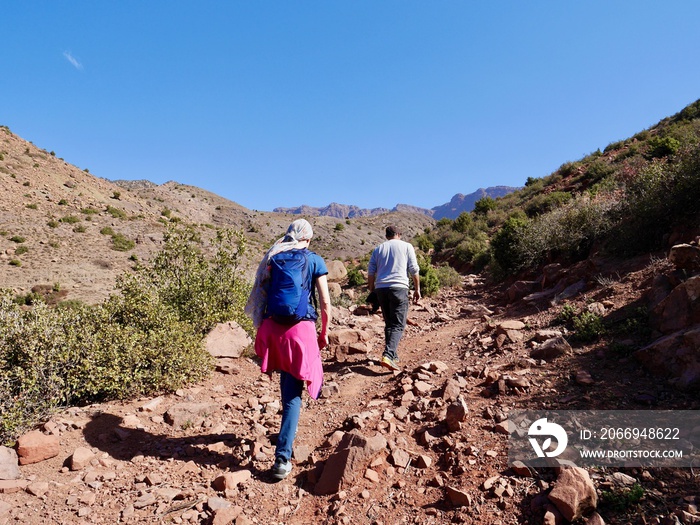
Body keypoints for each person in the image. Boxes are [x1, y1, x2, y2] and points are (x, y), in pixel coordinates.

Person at [244, 219, 331, 480]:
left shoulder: (274, 256)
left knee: (287, 385)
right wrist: (324, 332)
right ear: (308, 238)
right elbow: (325, 301)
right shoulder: (314, 260)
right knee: (294, 395)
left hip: (273, 329)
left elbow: (264, 292)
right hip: (300, 331)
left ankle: (285, 432)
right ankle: (282, 457)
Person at [367, 225, 421, 371]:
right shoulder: (407, 246)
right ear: (398, 234)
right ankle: (388, 355)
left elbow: (371, 271)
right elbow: (414, 269)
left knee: (390, 323)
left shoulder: (378, 249)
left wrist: (372, 289)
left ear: (387, 235)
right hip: (399, 287)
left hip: (381, 289)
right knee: (399, 324)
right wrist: (417, 289)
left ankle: (393, 354)